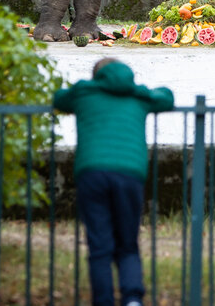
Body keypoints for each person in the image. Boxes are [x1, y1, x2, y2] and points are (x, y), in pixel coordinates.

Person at [53, 57, 174, 306]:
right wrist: (145, 90)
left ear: (96, 77)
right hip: (130, 173)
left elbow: (58, 99)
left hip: (92, 172)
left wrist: (82, 87)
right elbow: (167, 97)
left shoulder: (83, 93)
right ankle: (132, 298)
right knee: (127, 242)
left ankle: (104, 300)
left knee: (99, 244)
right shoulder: (138, 95)